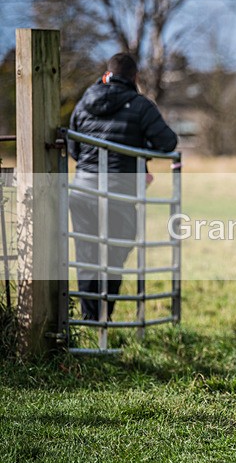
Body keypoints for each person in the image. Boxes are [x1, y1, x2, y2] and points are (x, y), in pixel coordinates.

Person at [68, 53, 178, 321]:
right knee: (116, 251)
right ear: (135, 77)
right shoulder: (141, 105)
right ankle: (103, 315)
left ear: (107, 74)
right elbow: (168, 143)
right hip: (120, 190)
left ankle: (90, 318)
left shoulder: (84, 102)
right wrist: (139, 150)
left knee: (87, 254)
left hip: (83, 189)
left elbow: (73, 148)